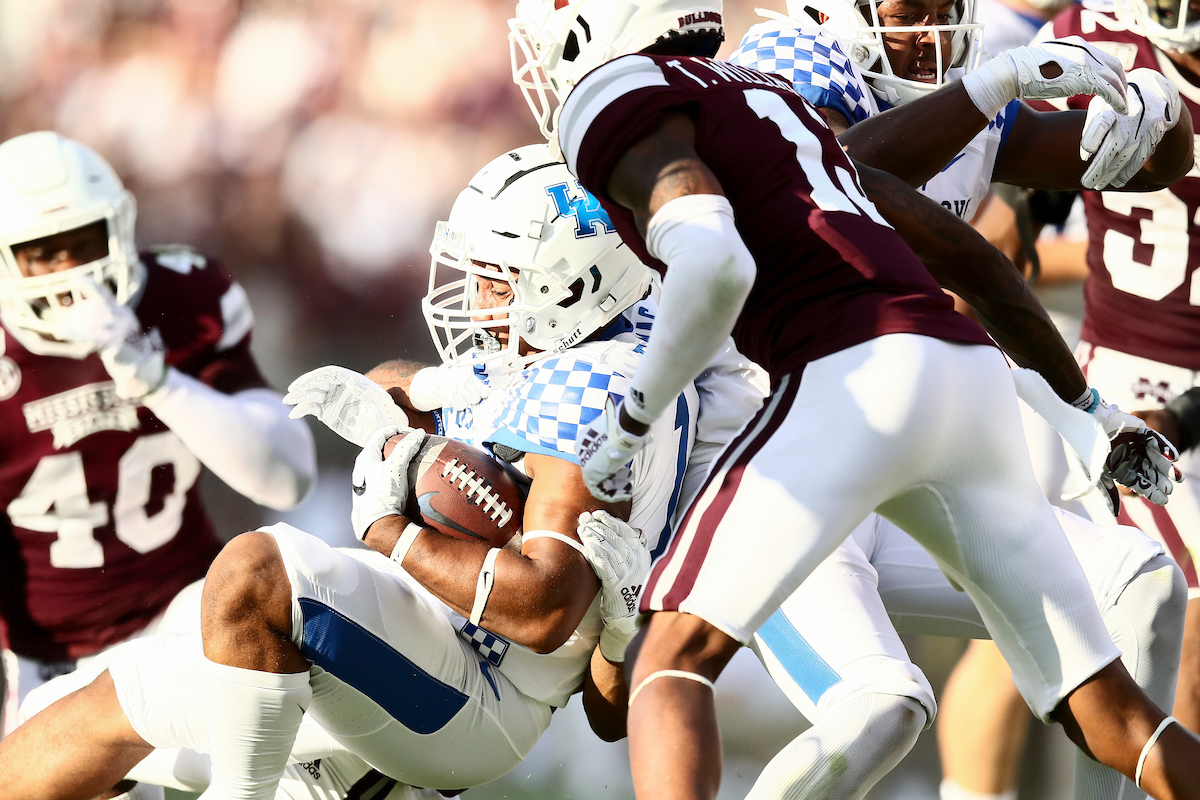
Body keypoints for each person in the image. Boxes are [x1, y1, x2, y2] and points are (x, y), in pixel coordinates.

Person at [505, 1, 1200, 798]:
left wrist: (628, 424)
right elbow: (967, 258)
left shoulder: (624, 96)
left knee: (674, 661)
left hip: (829, 402)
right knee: (1115, 718)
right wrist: (1090, 411)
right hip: (956, 376)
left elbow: (718, 263)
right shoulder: (771, 89)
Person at [0, 143, 690, 800]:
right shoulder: (595, 343)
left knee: (258, 575)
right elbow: (419, 385)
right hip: (423, 644)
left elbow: (540, 612)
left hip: (476, 680)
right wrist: (406, 410)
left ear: (573, 287)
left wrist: (390, 529)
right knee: (68, 711)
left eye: (497, 282)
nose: (478, 302)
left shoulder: (589, 397)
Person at [721, 2, 1193, 797]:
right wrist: (985, 89)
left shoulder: (970, 101)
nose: (932, 29)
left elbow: (1135, 169)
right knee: (882, 709)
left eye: (946, 7)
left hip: (905, 463)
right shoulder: (790, 58)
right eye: (911, 10)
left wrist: (1163, 117)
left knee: (1143, 583)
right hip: (775, 467)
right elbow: (827, 177)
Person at [0, 131, 317, 798]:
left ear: (120, 226)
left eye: (85, 242)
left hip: (179, 617)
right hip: (31, 657)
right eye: (42, 254)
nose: (70, 271)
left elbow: (287, 477)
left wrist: (156, 379)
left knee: (297, 762)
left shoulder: (179, 298)